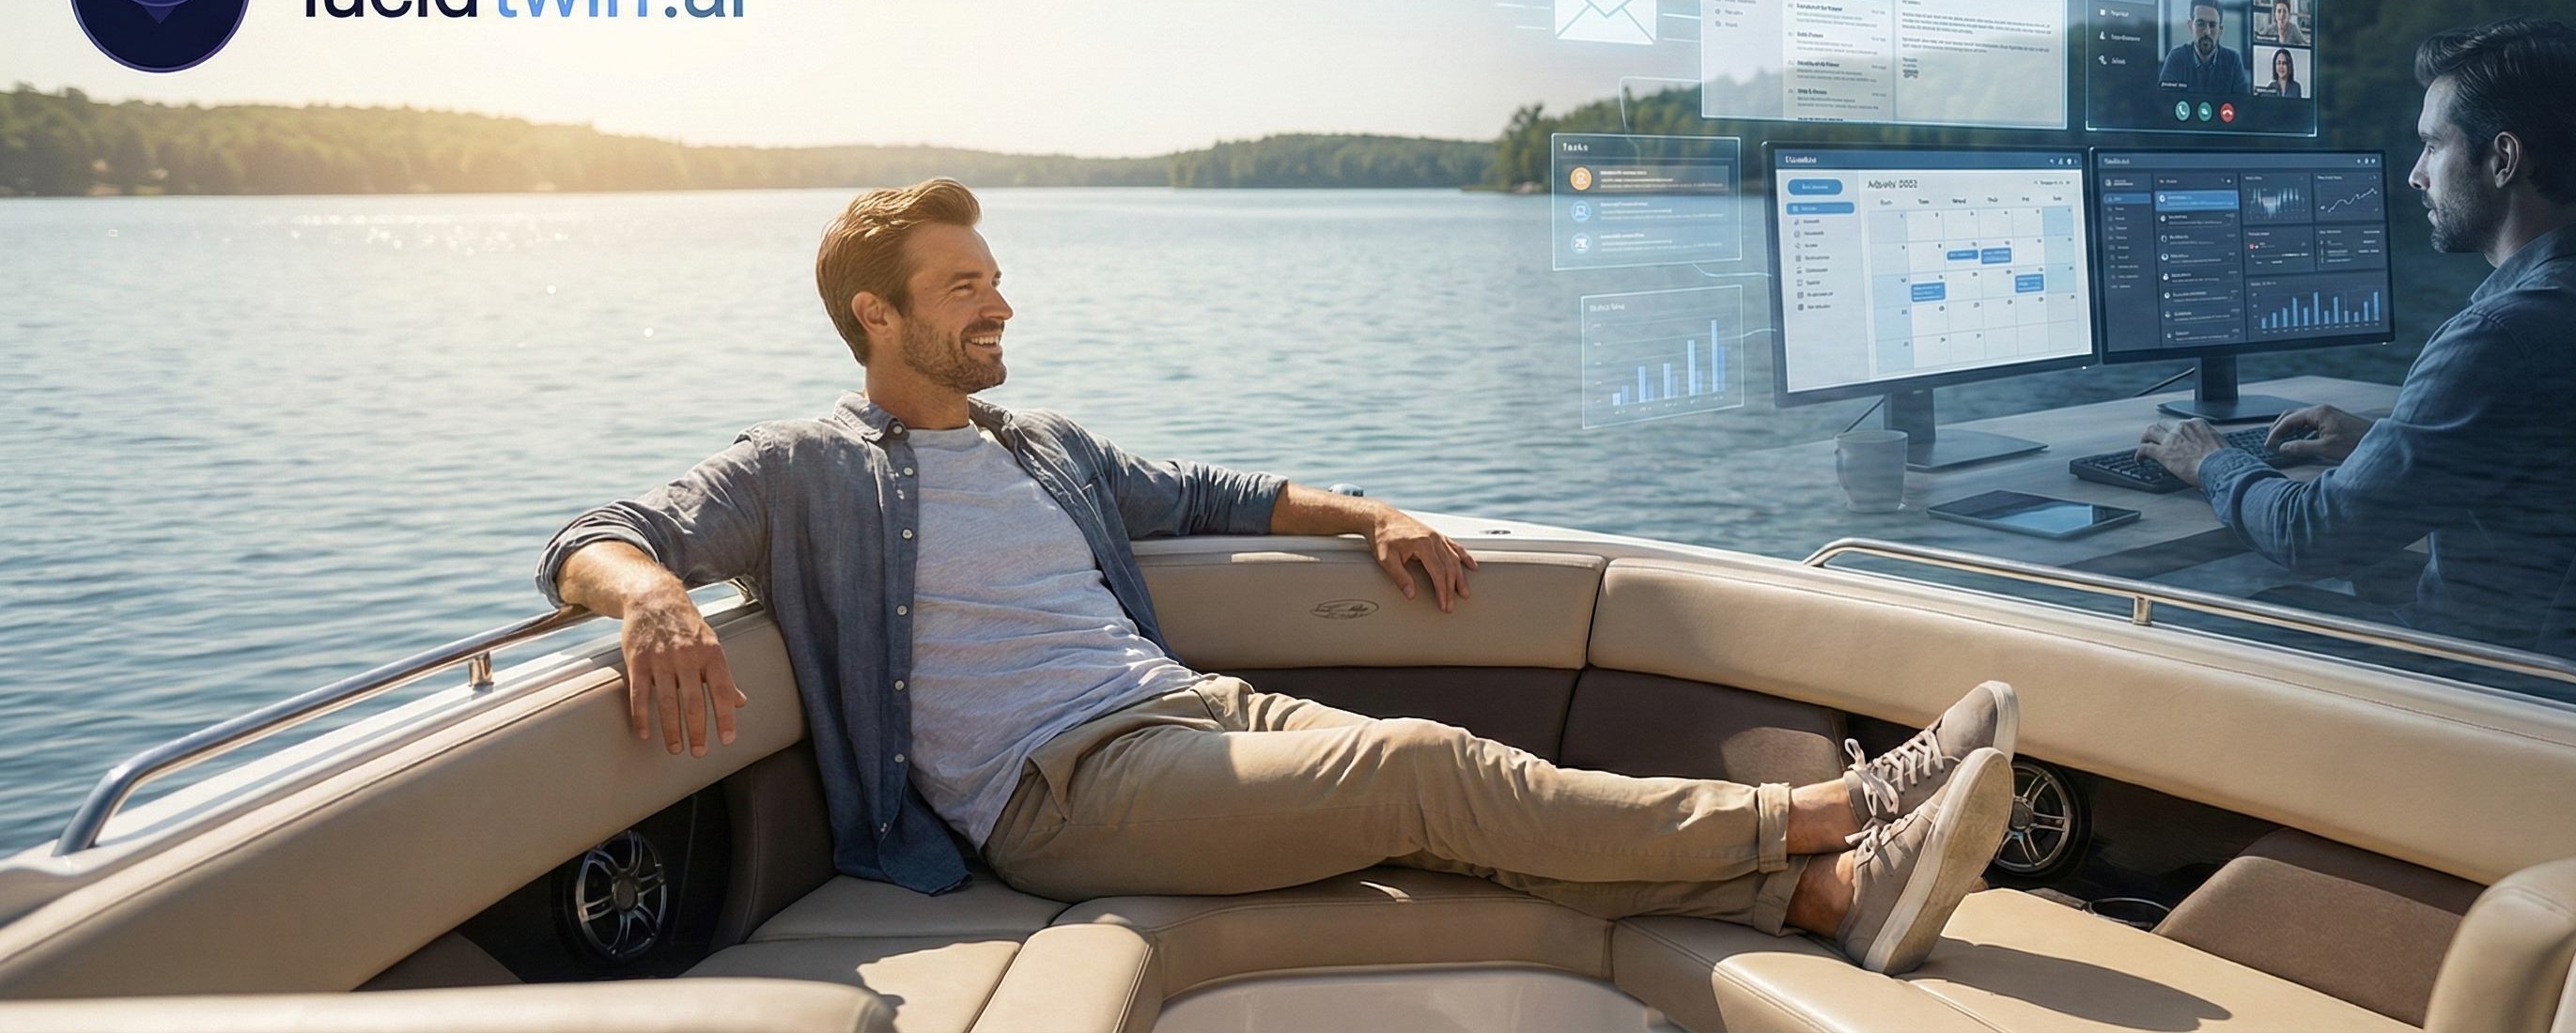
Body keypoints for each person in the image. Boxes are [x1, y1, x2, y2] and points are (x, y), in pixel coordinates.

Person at [536, 178, 2016, 974]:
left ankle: (1827, 905)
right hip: (1055, 794)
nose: (1001, 301)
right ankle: (1833, 806)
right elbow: (591, 535)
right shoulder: (806, 467)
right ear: (876, 315)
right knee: (1429, 771)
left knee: (1460, 805)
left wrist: (1367, 512)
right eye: (964, 284)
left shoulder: (1040, 441)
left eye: (995, 274)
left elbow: (1216, 492)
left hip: (1193, 710)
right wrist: (653, 594)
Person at [2135, 19, 2576, 642]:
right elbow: (2561, 473)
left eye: (2433, 146)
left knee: (2200, 624)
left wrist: (2212, 463)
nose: (2417, 175)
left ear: (2502, 159)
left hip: (2492, 683)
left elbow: (2315, 536)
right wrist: (2389, 444)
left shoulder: (2499, 337)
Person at [2156, 0, 2250, 97]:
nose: (2207, 32)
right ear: (2190, 26)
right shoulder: (2176, 58)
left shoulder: (2233, 60)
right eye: (2200, 24)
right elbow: (2164, 102)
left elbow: (2243, 105)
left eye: (2212, 25)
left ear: (2221, 30)